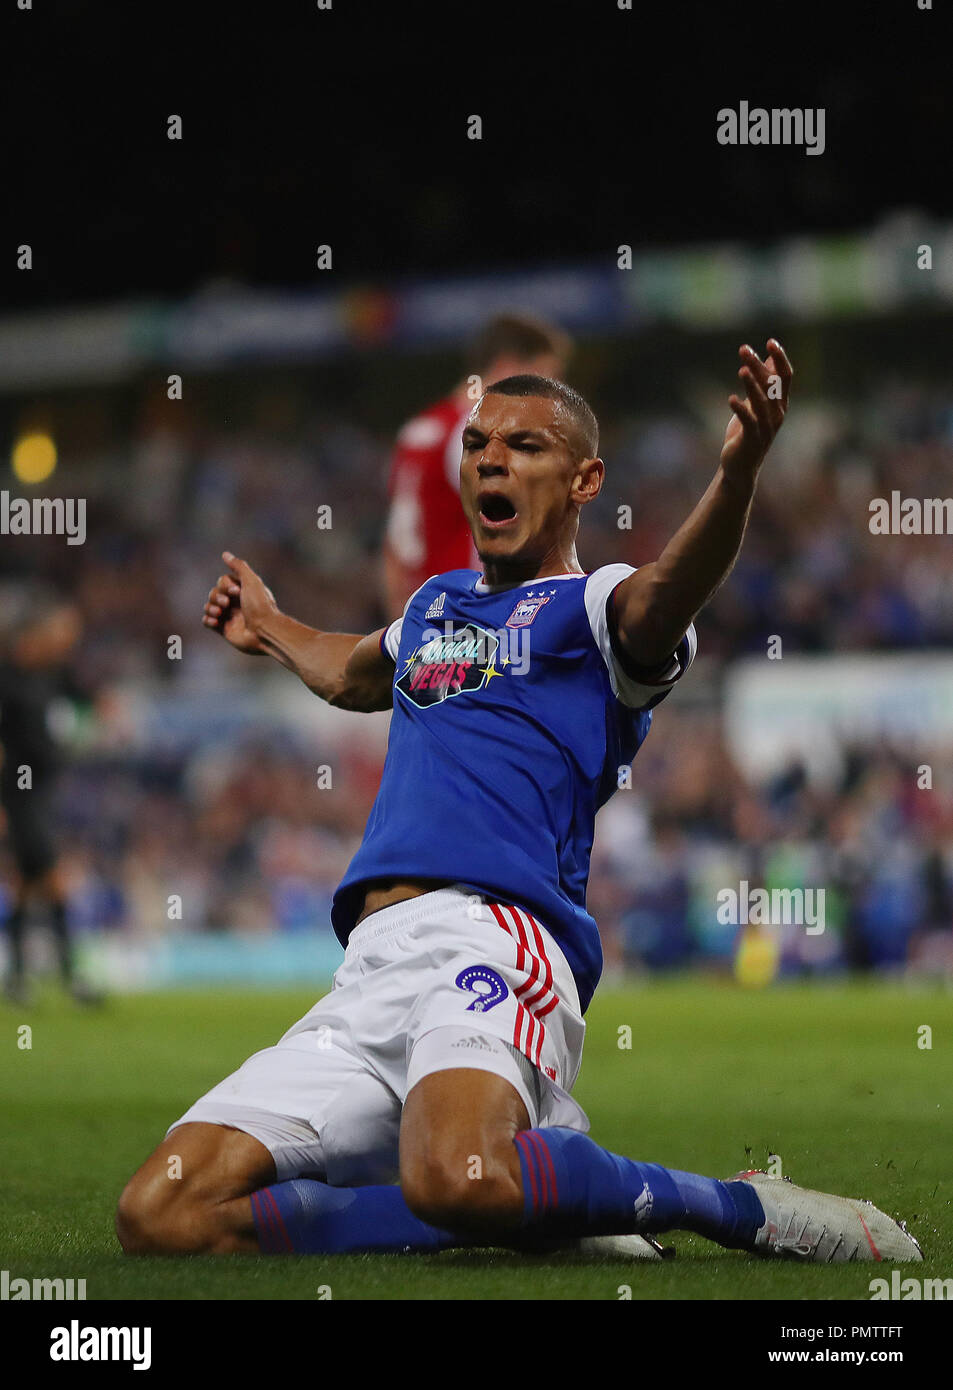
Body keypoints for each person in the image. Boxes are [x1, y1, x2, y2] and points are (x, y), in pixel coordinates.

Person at [116, 342, 922, 1263]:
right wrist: (268, 627)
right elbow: (349, 671)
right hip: (369, 970)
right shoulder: (431, 608)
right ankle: (545, 1200)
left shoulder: (592, 608)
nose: (490, 459)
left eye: (524, 446)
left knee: (458, 1179)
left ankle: (726, 1205)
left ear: (584, 480)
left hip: (497, 939)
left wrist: (735, 473)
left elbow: (671, 590)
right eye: (476, 444)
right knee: (160, 1214)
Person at [382, 312, 570, 621]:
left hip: (423, 618)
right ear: (508, 367)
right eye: (546, 380)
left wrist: (403, 631)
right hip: (473, 617)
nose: (553, 396)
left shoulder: (419, 429)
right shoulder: (480, 430)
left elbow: (394, 550)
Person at [0, 589, 99, 1005]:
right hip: (17, 793)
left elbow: (87, 699)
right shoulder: (8, 677)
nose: (65, 641)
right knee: (52, 877)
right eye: (59, 632)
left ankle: (19, 978)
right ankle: (71, 975)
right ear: (35, 634)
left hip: (43, 789)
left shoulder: (51, 673)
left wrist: (101, 710)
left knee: (26, 883)